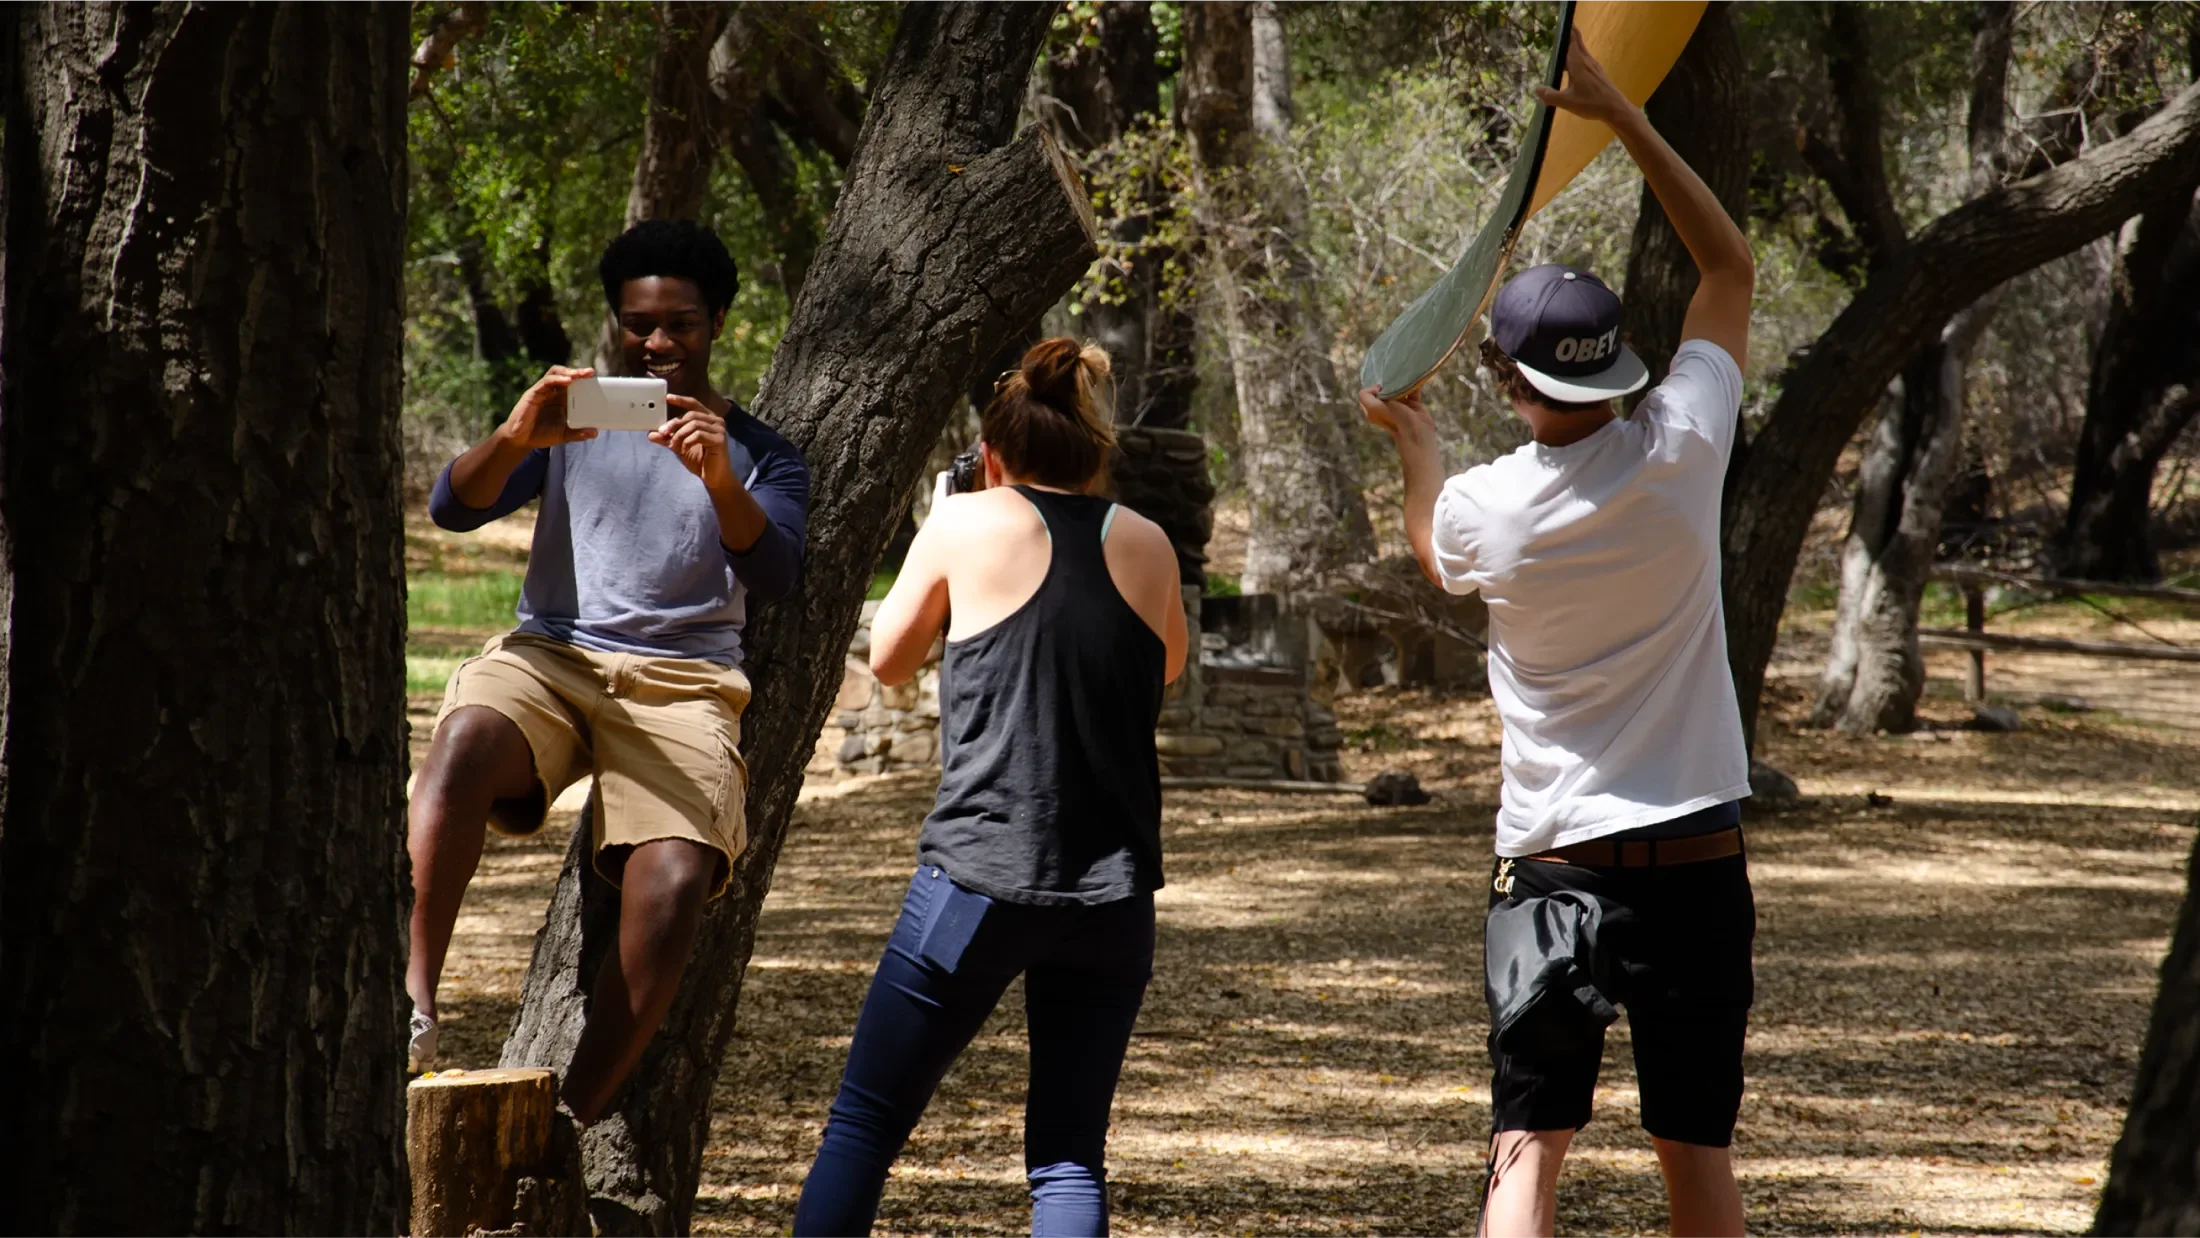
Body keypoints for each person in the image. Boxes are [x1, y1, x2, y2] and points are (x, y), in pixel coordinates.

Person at [1360, 32, 1758, 1238]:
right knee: (1697, 1156)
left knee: (1524, 1151)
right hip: (1695, 864)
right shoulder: (1684, 445)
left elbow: (1435, 552)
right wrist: (1622, 115)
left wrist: (1417, 451)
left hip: (1550, 873)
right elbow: (1728, 267)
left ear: (1509, 381)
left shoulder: (1487, 508)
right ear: (1620, 369)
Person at [409, 219, 810, 1124]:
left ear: (718, 326)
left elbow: (779, 572)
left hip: (684, 684)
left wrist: (720, 481)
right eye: (639, 325)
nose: (659, 344)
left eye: (681, 325)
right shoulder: (568, 426)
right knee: (466, 739)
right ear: (615, 324)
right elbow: (450, 508)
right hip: (552, 655)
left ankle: (566, 1122)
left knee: (672, 880)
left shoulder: (762, 451)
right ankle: (415, 1001)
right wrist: (517, 436)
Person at [791, 339, 1189, 1237]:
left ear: (993, 456)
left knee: (862, 1129)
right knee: (1067, 1156)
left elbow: (890, 662)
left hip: (975, 883)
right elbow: (1165, 666)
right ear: (1098, 457)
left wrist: (947, 526)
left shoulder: (963, 525)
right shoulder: (1150, 542)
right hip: (1113, 899)